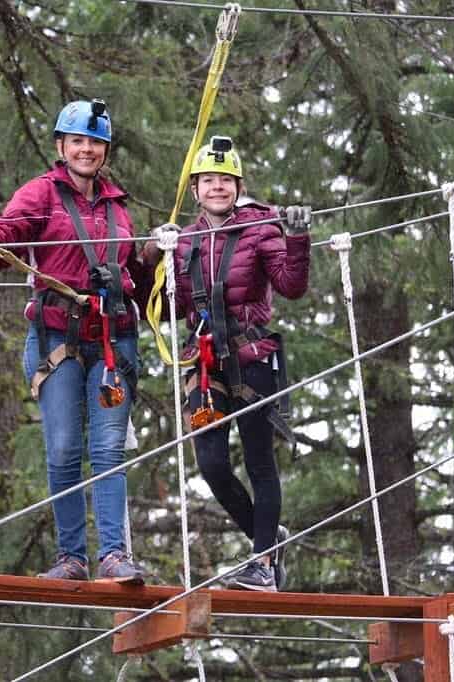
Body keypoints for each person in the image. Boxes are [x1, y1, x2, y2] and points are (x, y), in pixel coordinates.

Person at [0, 99, 146, 584]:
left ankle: (114, 554)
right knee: (64, 448)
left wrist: (157, 254)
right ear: (61, 147)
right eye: (78, 141)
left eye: (95, 143)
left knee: (108, 449)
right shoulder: (41, 193)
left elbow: (135, 271)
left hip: (112, 338)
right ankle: (71, 558)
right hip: (57, 338)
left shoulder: (118, 206)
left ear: (105, 150)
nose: (87, 150)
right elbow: (8, 236)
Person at [143, 135, 311, 591]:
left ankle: (262, 563)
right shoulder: (184, 242)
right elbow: (169, 306)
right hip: (205, 364)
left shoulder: (261, 229)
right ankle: (268, 539)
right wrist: (153, 256)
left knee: (259, 460)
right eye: (208, 181)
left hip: (252, 358)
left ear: (238, 187)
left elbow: (292, 286)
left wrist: (296, 238)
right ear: (195, 190)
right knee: (212, 464)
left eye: (225, 180)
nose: (217, 187)